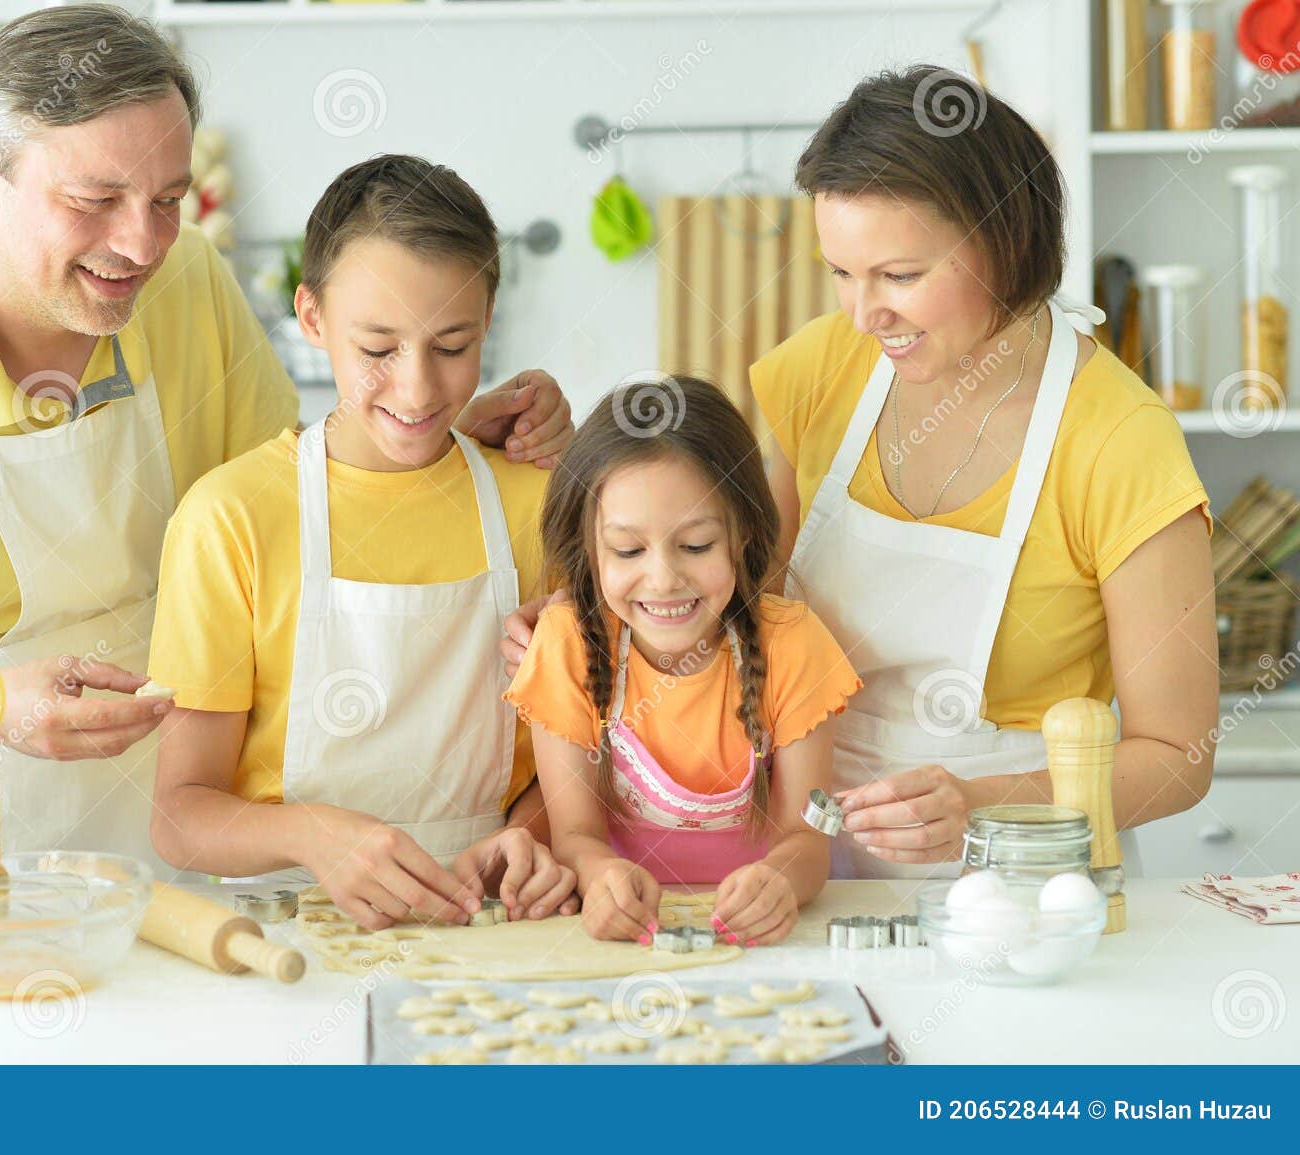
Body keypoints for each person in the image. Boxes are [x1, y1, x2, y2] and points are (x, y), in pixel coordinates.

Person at [0, 5, 571, 873]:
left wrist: (428, 425)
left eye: (166, 199)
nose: (141, 244)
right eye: (95, 200)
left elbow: (289, 496)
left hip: (169, 853)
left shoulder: (185, 278)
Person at [505, 66, 1217, 879]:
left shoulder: (1119, 439)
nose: (862, 313)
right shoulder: (826, 368)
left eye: (900, 277)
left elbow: (1178, 755)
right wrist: (591, 622)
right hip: (803, 860)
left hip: (1019, 870)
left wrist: (977, 802)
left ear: (1006, 238)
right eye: (842, 273)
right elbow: (743, 594)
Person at [148, 156, 576, 929]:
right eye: (378, 349)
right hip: (285, 924)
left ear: (489, 323)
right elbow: (180, 817)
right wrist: (316, 835)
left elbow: (582, 757)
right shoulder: (231, 518)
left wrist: (526, 839)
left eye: (452, 346)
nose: (417, 389)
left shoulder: (538, 504)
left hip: (488, 919)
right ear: (311, 319)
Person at [505, 376, 859, 944]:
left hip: (762, 942)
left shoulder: (793, 643)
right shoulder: (566, 643)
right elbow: (573, 834)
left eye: (696, 545)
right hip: (621, 939)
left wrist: (779, 881)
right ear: (589, 549)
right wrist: (601, 878)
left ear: (742, 535)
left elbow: (807, 837)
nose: (665, 579)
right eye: (627, 551)